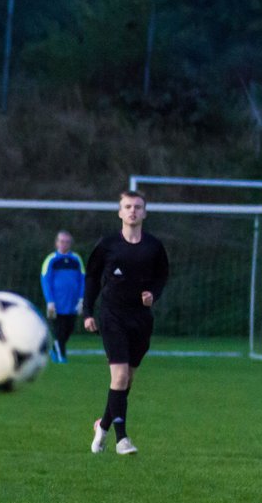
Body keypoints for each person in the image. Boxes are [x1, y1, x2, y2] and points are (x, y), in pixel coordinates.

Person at [83, 190, 169, 456]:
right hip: (112, 316)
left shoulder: (154, 247)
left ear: (145, 212)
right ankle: (122, 439)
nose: (133, 211)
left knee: (126, 381)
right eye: (128, 206)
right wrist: (88, 312)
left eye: (138, 207)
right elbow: (91, 278)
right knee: (119, 376)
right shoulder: (107, 245)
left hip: (140, 319)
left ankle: (103, 425)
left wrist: (153, 295)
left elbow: (162, 276)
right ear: (120, 212)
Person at [40, 230, 84, 364]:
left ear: (70, 244)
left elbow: (83, 279)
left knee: (68, 329)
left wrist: (82, 299)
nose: (64, 244)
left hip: (72, 303)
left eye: (67, 242)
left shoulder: (76, 259)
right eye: (61, 241)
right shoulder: (51, 259)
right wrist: (50, 301)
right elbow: (45, 281)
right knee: (59, 330)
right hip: (56, 304)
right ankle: (61, 357)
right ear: (56, 243)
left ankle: (54, 349)